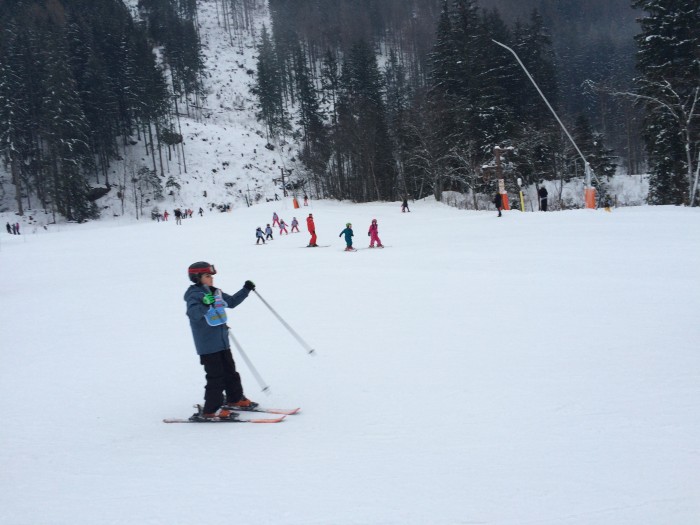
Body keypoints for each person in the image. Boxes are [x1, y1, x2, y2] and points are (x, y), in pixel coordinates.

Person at [185, 262, 258, 421]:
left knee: (231, 372)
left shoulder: (215, 292)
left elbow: (231, 302)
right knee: (215, 377)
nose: (211, 279)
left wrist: (245, 290)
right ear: (197, 278)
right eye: (207, 276)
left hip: (222, 342)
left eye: (211, 276)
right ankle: (212, 409)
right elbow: (193, 313)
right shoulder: (194, 295)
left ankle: (235, 398)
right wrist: (205, 304)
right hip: (208, 345)